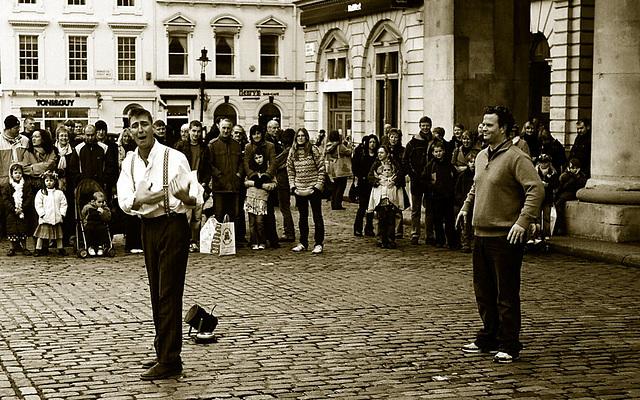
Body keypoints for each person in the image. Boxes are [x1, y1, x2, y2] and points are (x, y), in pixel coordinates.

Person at [117, 107, 202, 380]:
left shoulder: (174, 157)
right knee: (156, 291)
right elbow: (125, 202)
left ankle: (170, 360)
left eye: (144, 124)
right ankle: (162, 348)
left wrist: (182, 198)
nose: (140, 130)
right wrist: (142, 199)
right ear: (128, 131)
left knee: (169, 292)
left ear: (153, 126)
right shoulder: (129, 163)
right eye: (135, 126)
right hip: (147, 228)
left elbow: (195, 198)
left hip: (172, 226)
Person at [457, 106, 543, 364]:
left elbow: (535, 190)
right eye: (482, 124)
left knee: (505, 293)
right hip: (480, 235)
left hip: (505, 238)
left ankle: (509, 343)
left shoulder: (517, 158)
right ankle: (488, 336)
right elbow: (476, 186)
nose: (483, 128)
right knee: (483, 291)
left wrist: (523, 221)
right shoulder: (483, 156)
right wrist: (465, 207)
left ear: (503, 128)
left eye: (489, 125)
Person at [287, 127, 325, 254]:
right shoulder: (293, 152)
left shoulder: (313, 150)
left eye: (303, 136)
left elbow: (321, 167)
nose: (301, 138)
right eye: (298, 136)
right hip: (300, 188)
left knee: (317, 216)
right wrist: (293, 186)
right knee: (302, 217)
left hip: (313, 187)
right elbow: (290, 170)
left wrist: (318, 185)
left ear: (306, 137)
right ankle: (303, 242)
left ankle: (319, 243)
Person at [174, 120, 211, 252]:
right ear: (189, 131)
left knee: (197, 215)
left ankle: (194, 241)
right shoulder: (180, 146)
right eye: (194, 131)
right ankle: (184, 240)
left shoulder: (205, 148)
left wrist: (204, 183)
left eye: (198, 131)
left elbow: (207, 167)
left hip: (199, 185)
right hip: (186, 186)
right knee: (186, 215)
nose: (196, 134)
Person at [208, 117, 244, 244]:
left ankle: (233, 241)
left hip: (234, 186)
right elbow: (209, 164)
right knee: (218, 214)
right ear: (219, 127)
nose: (226, 130)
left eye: (228, 128)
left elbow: (241, 161)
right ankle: (218, 241)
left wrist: (239, 174)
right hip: (220, 187)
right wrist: (218, 175)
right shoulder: (212, 145)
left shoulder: (236, 145)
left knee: (235, 215)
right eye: (224, 128)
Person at [244, 124, 280, 248]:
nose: (256, 136)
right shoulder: (248, 147)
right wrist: (253, 175)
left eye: (258, 133)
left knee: (268, 213)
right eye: (254, 134)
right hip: (254, 181)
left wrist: (266, 176)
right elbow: (246, 163)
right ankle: (255, 240)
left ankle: (271, 239)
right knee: (254, 217)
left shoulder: (270, 146)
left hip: (266, 181)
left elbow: (273, 163)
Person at [403, 116, 436, 246]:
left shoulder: (434, 141)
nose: (425, 128)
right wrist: (413, 175)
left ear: (430, 126)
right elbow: (406, 161)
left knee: (430, 210)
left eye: (427, 125)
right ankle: (415, 234)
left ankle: (429, 235)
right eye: (423, 125)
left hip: (429, 180)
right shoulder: (413, 143)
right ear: (420, 126)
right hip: (416, 180)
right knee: (415, 209)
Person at [367, 145, 406, 249]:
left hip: (391, 195)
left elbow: (401, 175)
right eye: (378, 153)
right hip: (380, 195)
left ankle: (390, 238)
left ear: (387, 154)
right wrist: (378, 181)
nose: (379, 155)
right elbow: (370, 176)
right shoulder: (376, 165)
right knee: (381, 218)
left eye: (382, 153)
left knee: (391, 219)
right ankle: (381, 238)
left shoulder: (394, 164)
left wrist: (394, 181)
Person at [423, 141, 458, 249]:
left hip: (448, 197)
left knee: (450, 220)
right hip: (436, 197)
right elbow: (424, 178)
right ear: (433, 153)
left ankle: (452, 241)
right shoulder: (431, 166)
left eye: (440, 151)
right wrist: (431, 187)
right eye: (436, 152)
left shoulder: (449, 165)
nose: (438, 154)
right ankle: (440, 240)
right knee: (437, 220)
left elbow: (455, 178)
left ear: (444, 151)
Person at [1, 115, 30, 238]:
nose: (19, 129)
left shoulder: (25, 140)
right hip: (4, 182)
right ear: (8, 128)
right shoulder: (0, 141)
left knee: (22, 212)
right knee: (7, 213)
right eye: (16, 127)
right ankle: (9, 240)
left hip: (21, 182)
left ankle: (21, 238)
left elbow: (28, 160)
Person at [70, 125, 116, 191]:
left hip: (100, 186)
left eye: (92, 135)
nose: (90, 138)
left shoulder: (104, 148)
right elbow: (73, 167)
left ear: (96, 134)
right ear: (84, 134)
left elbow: (110, 166)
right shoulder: (78, 148)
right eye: (88, 135)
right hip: (83, 186)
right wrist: (79, 180)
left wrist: (104, 180)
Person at [33, 170, 68, 257]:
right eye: (47, 181)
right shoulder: (41, 193)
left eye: (51, 180)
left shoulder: (59, 193)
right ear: (44, 182)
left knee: (59, 235)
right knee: (41, 235)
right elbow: (38, 204)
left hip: (56, 217)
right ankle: (38, 248)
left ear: (55, 181)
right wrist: (42, 214)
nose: (49, 183)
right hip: (45, 218)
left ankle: (60, 248)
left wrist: (62, 213)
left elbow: (63, 204)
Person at [55, 125, 80, 247]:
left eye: (65, 135)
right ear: (57, 137)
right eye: (61, 135)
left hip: (68, 185)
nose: (63, 138)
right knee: (55, 209)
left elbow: (74, 167)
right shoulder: (54, 150)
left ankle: (67, 238)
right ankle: (55, 239)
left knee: (68, 210)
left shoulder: (73, 150)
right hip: (55, 184)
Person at [2, 163, 34, 256]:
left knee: (23, 230)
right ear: (11, 174)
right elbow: (5, 199)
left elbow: (29, 197)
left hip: (23, 211)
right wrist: (13, 209)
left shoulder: (25, 185)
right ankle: (12, 248)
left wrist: (22, 208)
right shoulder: (8, 186)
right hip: (11, 212)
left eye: (20, 173)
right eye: (15, 173)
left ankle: (24, 247)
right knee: (12, 230)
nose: (18, 175)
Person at [351, 134, 379, 237]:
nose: (372, 144)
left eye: (374, 142)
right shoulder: (362, 154)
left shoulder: (377, 155)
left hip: (373, 185)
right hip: (363, 184)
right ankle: (357, 228)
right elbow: (355, 167)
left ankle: (369, 228)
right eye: (371, 142)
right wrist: (361, 176)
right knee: (362, 207)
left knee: (371, 208)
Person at [554, 158, 587, 236]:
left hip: (572, 193)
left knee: (559, 204)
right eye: (573, 168)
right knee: (558, 205)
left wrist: (576, 178)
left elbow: (581, 184)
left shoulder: (581, 176)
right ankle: (558, 227)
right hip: (565, 193)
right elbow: (561, 187)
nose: (575, 170)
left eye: (576, 168)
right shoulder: (565, 176)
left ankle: (560, 228)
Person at [387, 128, 407, 239]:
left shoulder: (402, 151)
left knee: (398, 207)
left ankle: (398, 230)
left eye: (396, 137)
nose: (394, 139)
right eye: (392, 137)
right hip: (386, 181)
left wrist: (398, 178)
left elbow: (404, 167)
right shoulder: (385, 149)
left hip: (398, 181)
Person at [276, 128, 296, 242]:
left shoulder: (288, 151)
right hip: (289, 180)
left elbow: (277, 162)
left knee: (284, 207)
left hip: (283, 180)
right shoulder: (294, 150)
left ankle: (288, 232)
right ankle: (289, 231)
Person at [325, 130, 352, 210]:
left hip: (333, 167)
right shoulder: (340, 146)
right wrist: (349, 146)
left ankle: (333, 203)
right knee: (341, 186)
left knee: (335, 186)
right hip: (341, 168)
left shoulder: (329, 145)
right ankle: (338, 203)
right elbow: (348, 152)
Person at [454, 154, 476, 253]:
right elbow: (457, 190)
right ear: (467, 163)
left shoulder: (479, 175)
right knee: (466, 226)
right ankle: (466, 244)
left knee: (474, 225)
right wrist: (461, 200)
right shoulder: (463, 176)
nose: (473, 164)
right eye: (471, 162)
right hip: (465, 203)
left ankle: (474, 243)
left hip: (476, 204)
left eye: (475, 162)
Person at [535, 154, 559, 238]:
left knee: (546, 217)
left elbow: (556, 183)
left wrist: (548, 184)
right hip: (538, 197)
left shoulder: (552, 172)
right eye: (542, 162)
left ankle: (546, 234)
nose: (544, 164)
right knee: (537, 217)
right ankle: (537, 234)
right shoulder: (535, 171)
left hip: (548, 197)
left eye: (545, 162)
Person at [232, 124, 249, 242]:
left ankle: (240, 234)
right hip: (229, 180)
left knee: (239, 208)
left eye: (240, 133)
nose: (238, 135)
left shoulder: (245, 146)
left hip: (241, 181)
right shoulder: (229, 144)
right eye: (236, 132)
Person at [81, 191, 112, 256]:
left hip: (100, 223)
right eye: (99, 202)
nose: (101, 204)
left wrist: (103, 213)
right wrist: (84, 221)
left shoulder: (105, 208)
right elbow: (83, 214)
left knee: (102, 229)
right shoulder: (88, 207)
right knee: (89, 229)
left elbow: (107, 218)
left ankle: (100, 246)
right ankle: (90, 246)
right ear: (94, 201)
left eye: (102, 202)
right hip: (90, 223)